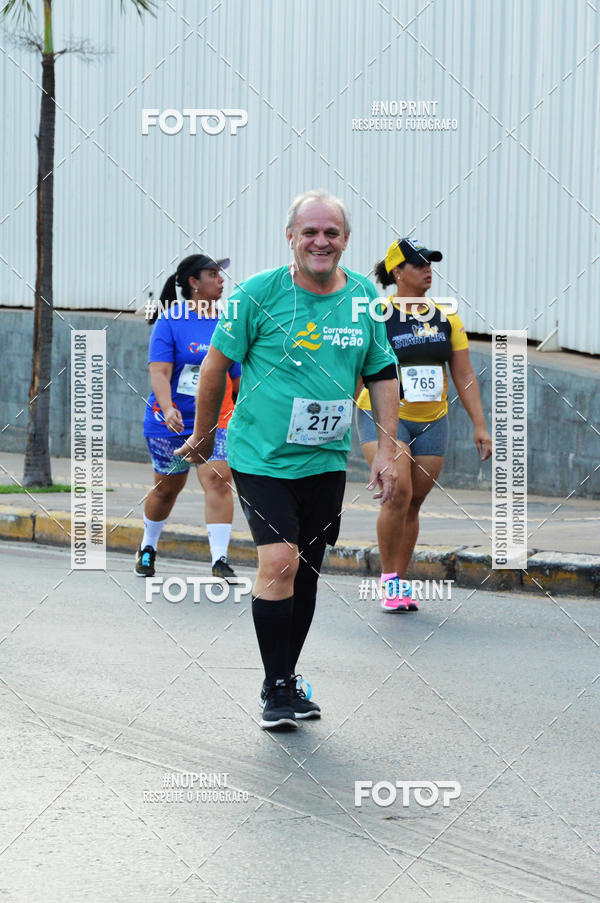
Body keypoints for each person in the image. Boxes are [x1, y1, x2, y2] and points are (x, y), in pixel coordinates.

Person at [175, 189, 400, 730]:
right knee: (280, 563)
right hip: (261, 457)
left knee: (308, 572)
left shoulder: (365, 297)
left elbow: (382, 374)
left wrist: (386, 452)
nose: (320, 242)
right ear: (291, 238)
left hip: (324, 460)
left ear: (345, 241)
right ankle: (276, 690)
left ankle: (286, 674)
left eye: (332, 233)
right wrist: (205, 436)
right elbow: (213, 368)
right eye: (310, 232)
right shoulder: (257, 294)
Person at [356, 237, 492, 612]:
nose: (427, 270)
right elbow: (356, 367)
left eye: (430, 263)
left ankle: (399, 580)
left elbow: (463, 375)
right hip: (385, 419)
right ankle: (389, 582)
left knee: (414, 502)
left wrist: (480, 425)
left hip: (432, 421)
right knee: (396, 494)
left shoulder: (446, 316)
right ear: (397, 272)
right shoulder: (378, 314)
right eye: (418, 264)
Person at [135, 254, 241, 582]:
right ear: (194, 283)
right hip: (170, 422)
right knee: (168, 489)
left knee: (218, 478)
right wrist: (168, 408)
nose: (221, 279)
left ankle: (220, 559)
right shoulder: (171, 320)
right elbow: (160, 372)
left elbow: (236, 377)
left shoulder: (228, 321)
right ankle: (148, 546)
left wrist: (242, 411)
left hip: (216, 419)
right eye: (213, 274)